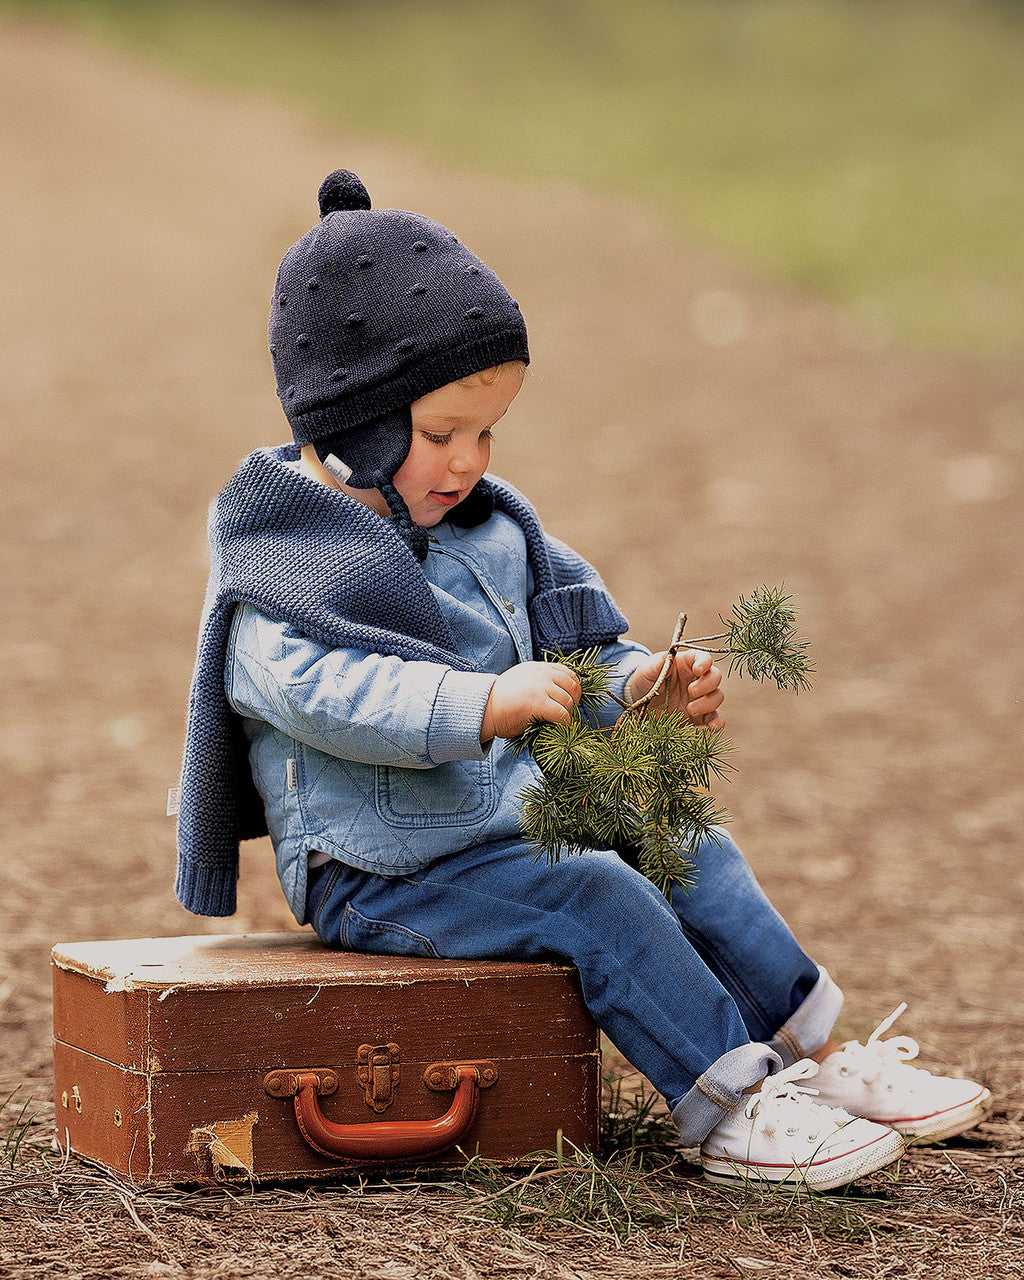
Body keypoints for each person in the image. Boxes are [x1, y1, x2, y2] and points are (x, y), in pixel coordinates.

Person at [175, 169, 990, 1189]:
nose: (470, 460)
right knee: (595, 892)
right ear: (354, 420)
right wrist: (478, 704)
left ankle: (817, 1057)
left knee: (684, 843)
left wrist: (636, 682)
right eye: (441, 434)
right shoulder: (280, 561)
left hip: (504, 820)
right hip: (379, 864)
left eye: (487, 432)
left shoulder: (485, 527)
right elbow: (321, 694)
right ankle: (730, 1102)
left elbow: (578, 651)